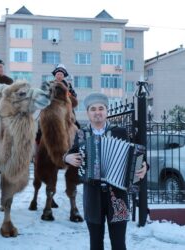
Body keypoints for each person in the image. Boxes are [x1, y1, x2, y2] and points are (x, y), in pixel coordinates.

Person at [63, 92, 148, 250]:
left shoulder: (120, 132)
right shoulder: (81, 135)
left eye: (101, 108)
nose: (97, 112)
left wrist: (143, 167)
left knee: (119, 244)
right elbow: (70, 152)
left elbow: (137, 154)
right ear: (88, 113)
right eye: (93, 109)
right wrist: (66, 158)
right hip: (92, 196)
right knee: (95, 244)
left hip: (117, 195)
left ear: (106, 111)